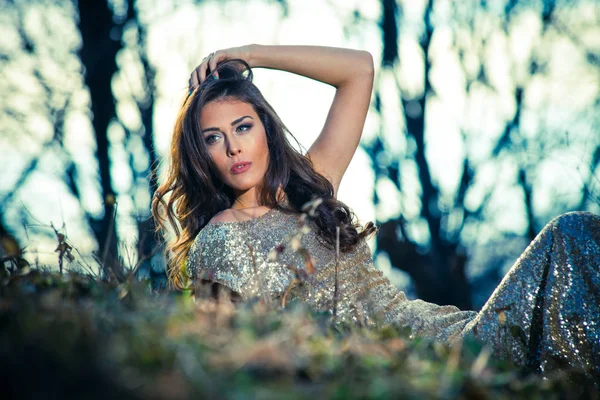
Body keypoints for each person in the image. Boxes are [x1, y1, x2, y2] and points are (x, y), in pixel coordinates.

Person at [151, 44, 600, 376]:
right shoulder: (217, 238)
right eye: (213, 138)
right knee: (570, 233)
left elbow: (359, 69)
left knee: (582, 239)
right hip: (403, 359)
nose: (233, 147)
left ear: (265, 129)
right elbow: (227, 346)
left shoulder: (311, 190)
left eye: (243, 127)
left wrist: (250, 55)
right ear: (199, 153)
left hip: (443, 329)